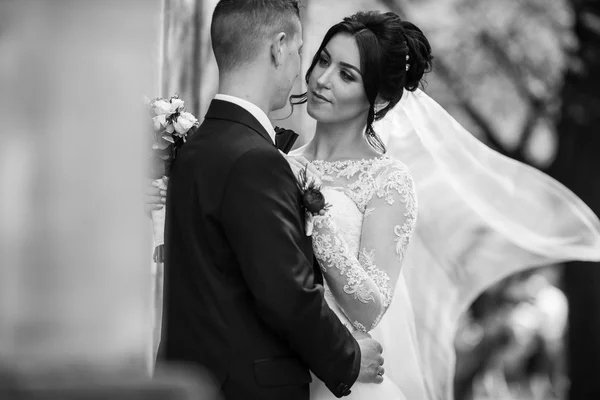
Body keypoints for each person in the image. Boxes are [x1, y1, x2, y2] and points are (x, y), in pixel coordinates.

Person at [150, 6, 600, 400]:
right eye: (323, 60)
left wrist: (318, 214)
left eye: (347, 75)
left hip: (344, 377)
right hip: (268, 366)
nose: (322, 80)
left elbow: (370, 305)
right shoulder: (275, 161)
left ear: (380, 98)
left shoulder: (388, 181)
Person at [157, 2, 385, 400]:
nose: (304, 71)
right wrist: (349, 357)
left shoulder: (193, 148)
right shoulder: (256, 160)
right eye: (302, 53)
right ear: (279, 47)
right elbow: (287, 293)